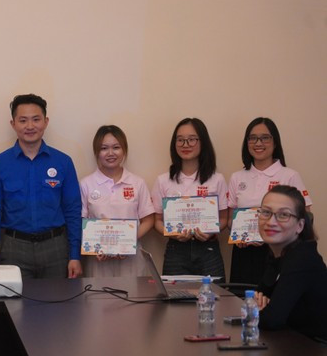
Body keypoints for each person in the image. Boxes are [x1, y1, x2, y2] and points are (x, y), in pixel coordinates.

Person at [0, 94, 82, 356]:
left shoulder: (62, 162)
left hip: (56, 246)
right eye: (22, 119)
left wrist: (74, 254)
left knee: (58, 317)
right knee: (17, 319)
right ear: (13, 124)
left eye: (35, 119)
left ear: (46, 122)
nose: (29, 125)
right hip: (14, 247)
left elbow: (73, 209)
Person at [228, 117, 312, 285]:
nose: (258, 143)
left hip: (280, 252)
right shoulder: (237, 177)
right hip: (245, 253)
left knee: (276, 302)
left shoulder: (289, 175)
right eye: (252, 138)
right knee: (243, 302)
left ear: (275, 142)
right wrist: (240, 236)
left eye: (265, 138)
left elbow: (307, 216)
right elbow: (231, 220)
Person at [151, 118, 228, 277]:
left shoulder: (217, 179)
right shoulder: (163, 180)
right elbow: (157, 221)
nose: (185, 145)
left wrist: (211, 231)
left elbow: (224, 219)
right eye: (180, 140)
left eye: (192, 139)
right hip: (176, 251)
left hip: (209, 249)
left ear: (203, 141)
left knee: (214, 298)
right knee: (175, 300)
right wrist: (172, 233)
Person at [79, 125, 155, 277]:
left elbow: (148, 220)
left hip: (131, 258)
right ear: (96, 152)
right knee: (98, 299)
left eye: (116, 147)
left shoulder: (137, 183)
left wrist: (127, 242)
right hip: (98, 259)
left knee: (134, 298)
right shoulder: (86, 184)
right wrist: (94, 247)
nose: (110, 153)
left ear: (124, 150)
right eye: (104, 148)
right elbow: (81, 221)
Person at [254, 185, 327, 341]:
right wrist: (261, 307)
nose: (271, 222)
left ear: (300, 226)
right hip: (291, 342)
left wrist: (262, 309)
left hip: (314, 353)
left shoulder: (302, 259)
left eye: (283, 215)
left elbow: (272, 319)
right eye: (266, 212)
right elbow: (259, 297)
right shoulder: (278, 252)